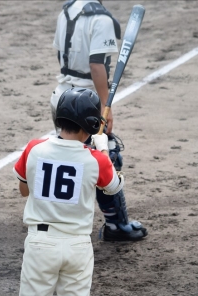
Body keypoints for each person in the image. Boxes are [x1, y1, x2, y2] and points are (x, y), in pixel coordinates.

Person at [4, 87, 123, 296]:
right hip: (77, 248)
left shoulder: (35, 148)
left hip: (40, 245)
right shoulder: (95, 159)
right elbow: (113, 188)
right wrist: (102, 148)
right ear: (91, 124)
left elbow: (23, 188)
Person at [50, 0, 147, 241]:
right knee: (107, 157)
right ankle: (116, 225)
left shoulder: (67, 11)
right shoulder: (101, 19)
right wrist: (105, 104)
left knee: (66, 157)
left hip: (61, 96)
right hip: (86, 101)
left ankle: (56, 218)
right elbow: (96, 64)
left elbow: (61, 53)